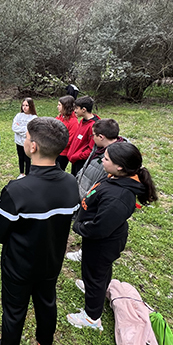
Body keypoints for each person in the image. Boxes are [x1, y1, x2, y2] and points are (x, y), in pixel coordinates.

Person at [0, 117, 80, 345]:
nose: (25, 140)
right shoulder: (72, 184)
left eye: (26, 137)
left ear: (33, 147)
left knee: (14, 309)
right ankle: (45, 344)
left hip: (19, 265)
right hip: (52, 261)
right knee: (47, 301)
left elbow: (0, 232)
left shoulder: (17, 190)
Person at [67, 142, 157, 330]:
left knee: (95, 275)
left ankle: (91, 317)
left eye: (106, 159)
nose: (102, 161)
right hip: (99, 241)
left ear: (120, 166)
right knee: (98, 274)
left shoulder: (119, 197)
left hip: (102, 243)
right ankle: (96, 292)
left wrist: (79, 227)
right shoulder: (117, 178)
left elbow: (100, 228)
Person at [66, 119, 128, 262]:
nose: (91, 137)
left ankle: (85, 253)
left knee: (91, 225)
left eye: (93, 135)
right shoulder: (99, 147)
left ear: (102, 137)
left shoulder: (116, 158)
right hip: (85, 192)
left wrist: (90, 197)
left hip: (95, 198)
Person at [67, 96, 100, 176]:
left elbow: (91, 149)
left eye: (76, 108)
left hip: (82, 162)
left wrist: (77, 156)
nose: (75, 111)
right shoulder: (82, 121)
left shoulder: (93, 126)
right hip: (75, 161)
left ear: (84, 109)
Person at [11, 98, 37, 178]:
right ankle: (21, 173)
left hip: (27, 141)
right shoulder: (18, 116)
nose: (24, 107)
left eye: (27, 105)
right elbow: (14, 127)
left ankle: (27, 174)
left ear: (31, 106)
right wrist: (24, 129)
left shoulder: (33, 118)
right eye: (23, 105)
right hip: (18, 141)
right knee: (20, 157)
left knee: (27, 158)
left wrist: (22, 129)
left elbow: (30, 131)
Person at [55, 95, 78, 172]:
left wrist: (56, 142)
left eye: (59, 105)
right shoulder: (60, 117)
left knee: (59, 171)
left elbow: (70, 139)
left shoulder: (73, 121)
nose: (57, 107)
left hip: (63, 153)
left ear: (66, 106)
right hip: (55, 149)